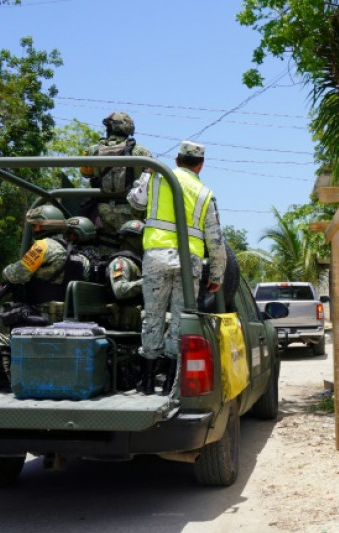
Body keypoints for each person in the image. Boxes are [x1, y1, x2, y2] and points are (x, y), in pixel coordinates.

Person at [128, 140, 226, 396]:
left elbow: (134, 202)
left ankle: (147, 382)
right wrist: (216, 274)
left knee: (153, 317)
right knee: (180, 321)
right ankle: (171, 384)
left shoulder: (157, 177)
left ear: (176, 160)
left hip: (156, 257)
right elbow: (216, 240)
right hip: (188, 263)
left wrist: (145, 175)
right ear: (201, 165)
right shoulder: (205, 193)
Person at [0, 207, 92, 394]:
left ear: (43, 226)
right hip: (69, 319)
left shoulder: (43, 246)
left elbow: (16, 274)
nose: (34, 229)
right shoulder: (81, 257)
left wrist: (6, 271)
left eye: (36, 225)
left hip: (40, 316)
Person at [80, 111, 153, 253]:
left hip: (102, 210)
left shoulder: (92, 150)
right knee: (132, 250)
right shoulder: (141, 152)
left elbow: (85, 173)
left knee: (105, 248)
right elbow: (151, 177)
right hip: (131, 211)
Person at [104, 220, 145, 331]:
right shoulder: (121, 262)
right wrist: (147, 282)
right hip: (126, 318)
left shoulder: (137, 262)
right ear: (131, 239)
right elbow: (120, 290)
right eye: (143, 237)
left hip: (138, 315)